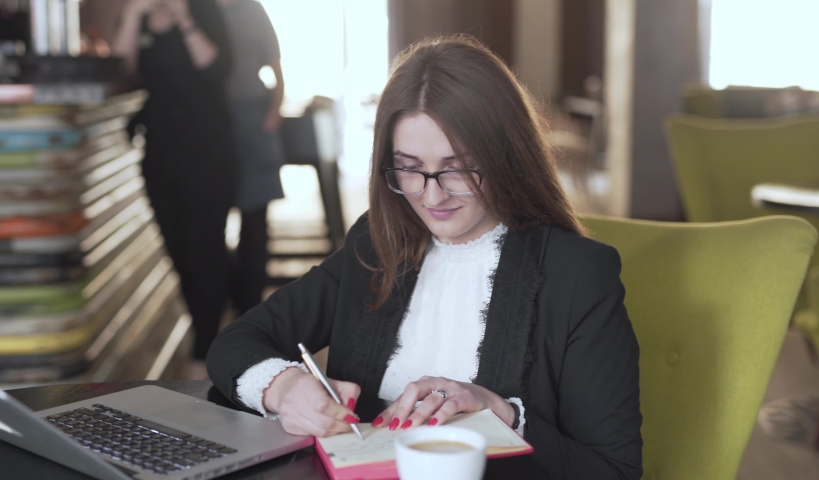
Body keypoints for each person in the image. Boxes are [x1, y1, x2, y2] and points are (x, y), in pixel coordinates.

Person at [207, 35, 642, 479]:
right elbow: (235, 342)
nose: (432, 197)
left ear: (506, 156)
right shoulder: (376, 244)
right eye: (410, 168)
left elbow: (614, 470)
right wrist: (285, 388)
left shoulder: (577, 274)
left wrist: (502, 414)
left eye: (458, 168)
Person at [113, 0, 236, 379]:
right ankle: (210, 330)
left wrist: (184, 19)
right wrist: (132, 15)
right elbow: (120, 71)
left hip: (209, 153)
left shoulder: (203, 9)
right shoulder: (136, 16)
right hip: (159, 153)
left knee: (205, 253)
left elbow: (217, 67)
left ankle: (204, 351)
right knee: (179, 255)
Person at [217, 0, 284, 316]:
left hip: (253, 119)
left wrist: (272, 114)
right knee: (212, 220)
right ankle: (230, 292)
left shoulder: (253, 10)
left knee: (255, 220)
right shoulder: (199, 9)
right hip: (214, 122)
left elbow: (276, 69)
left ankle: (251, 306)